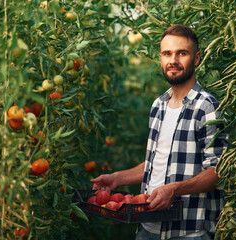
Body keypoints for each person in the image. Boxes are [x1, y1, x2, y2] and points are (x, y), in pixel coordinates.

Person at [91, 24, 228, 240]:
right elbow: (157, 161)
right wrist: (117, 178)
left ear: (197, 58)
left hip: (188, 232)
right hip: (147, 227)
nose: (173, 60)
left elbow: (219, 171)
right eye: (167, 53)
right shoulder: (159, 105)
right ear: (160, 58)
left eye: (182, 53)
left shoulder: (208, 107)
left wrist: (173, 189)